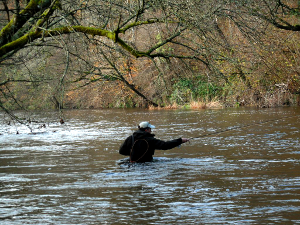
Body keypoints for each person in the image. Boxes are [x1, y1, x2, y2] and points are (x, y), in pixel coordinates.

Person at [119, 121, 189, 162]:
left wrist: (134, 153)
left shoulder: (130, 138)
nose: (151, 130)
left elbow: (121, 151)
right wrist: (180, 140)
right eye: (150, 129)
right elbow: (165, 145)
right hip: (147, 165)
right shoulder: (150, 140)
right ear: (146, 130)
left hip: (132, 163)